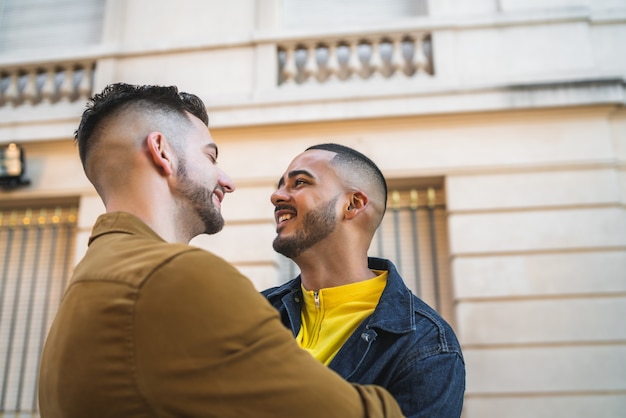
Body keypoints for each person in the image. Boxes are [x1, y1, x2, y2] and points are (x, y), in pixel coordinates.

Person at [38, 84, 405, 418]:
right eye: (211, 157)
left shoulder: (84, 288)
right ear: (162, 152)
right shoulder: (179, 277)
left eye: (300, 183)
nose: (227, 181)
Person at [262, 143, 466, 418]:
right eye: (280, 185)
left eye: (299, 182)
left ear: (353, 204)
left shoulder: (426, 346)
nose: (276, 196)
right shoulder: (256, 312)